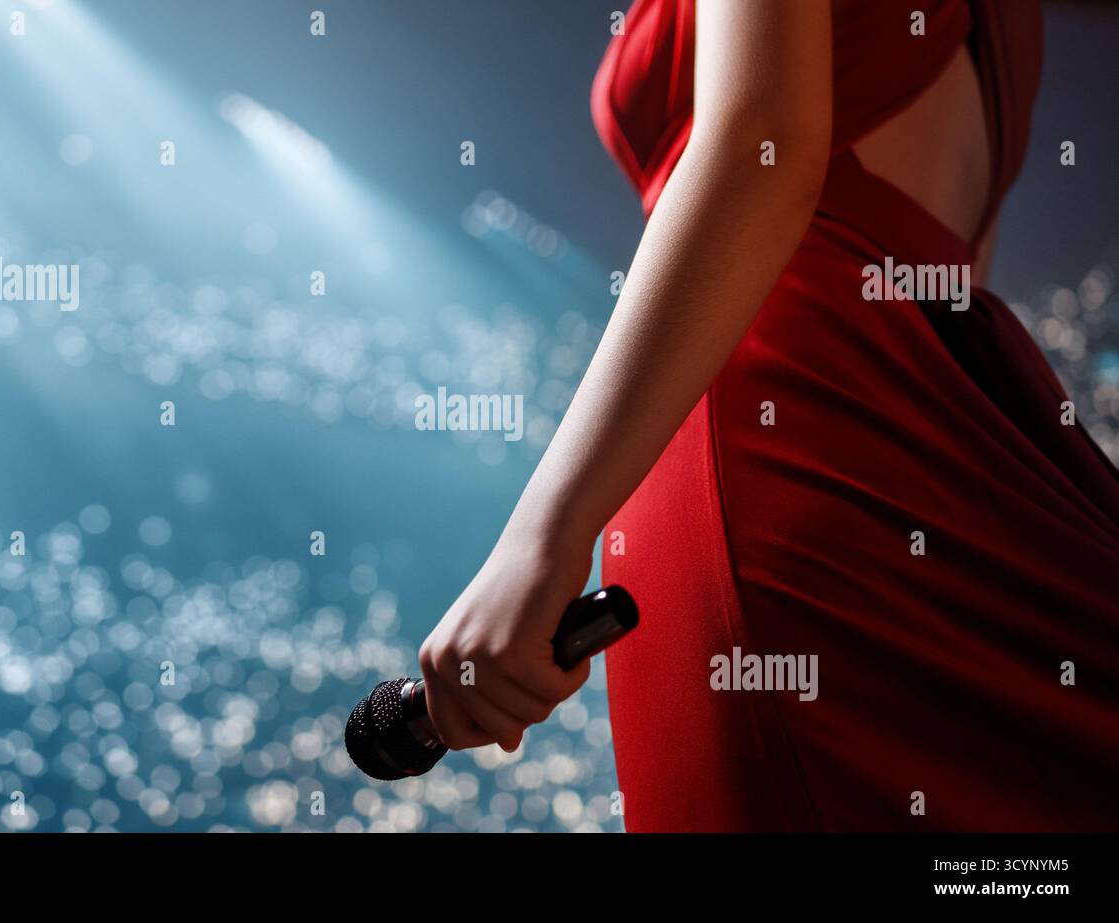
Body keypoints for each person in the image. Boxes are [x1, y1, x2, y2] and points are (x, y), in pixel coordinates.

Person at [418, 0, 1119, 831]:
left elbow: (762, 145)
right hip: (955, 412)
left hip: (768, 420)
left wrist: (542, 534)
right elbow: (956, 247)